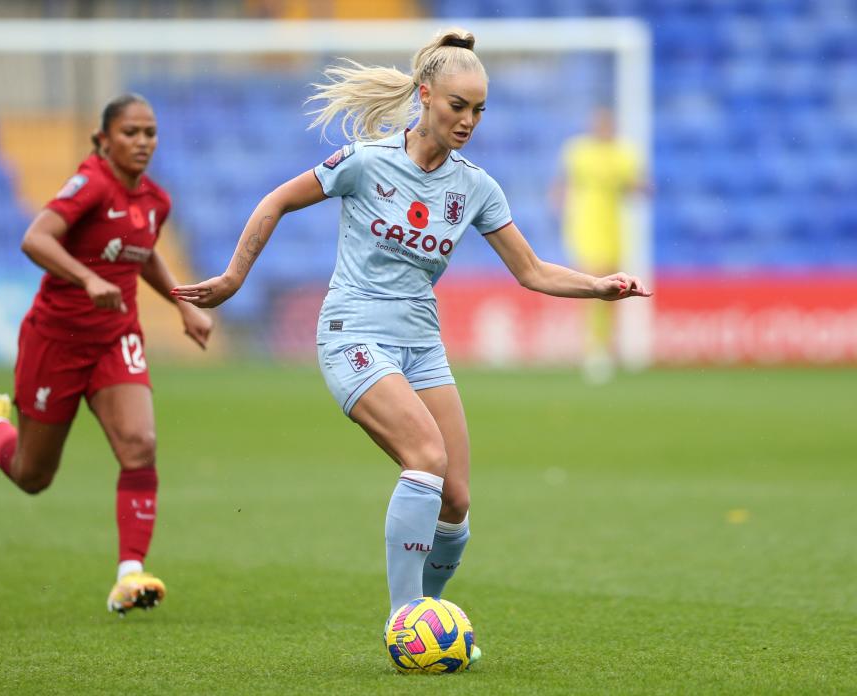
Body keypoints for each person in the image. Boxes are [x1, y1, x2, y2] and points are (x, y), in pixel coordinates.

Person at [172, 28, 650, 660]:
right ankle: (407, 624)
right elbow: (277, 201)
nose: (469, 121)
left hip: (421, 343)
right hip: (353, 333)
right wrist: (234, 276)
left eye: (480, 110)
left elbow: (531, 270)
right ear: (425, 95)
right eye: (458, 105)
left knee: (456, 501)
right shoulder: (366, 162)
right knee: (425, 455)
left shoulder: (476, 186)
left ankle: (429, 616)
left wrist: (598, 287)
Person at [0, 93, 213, 615]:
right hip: (56, 341)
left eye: (150, 133)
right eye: (130, 133)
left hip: (116, 339)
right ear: (103, 140)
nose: (142, 142)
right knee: (33, 476)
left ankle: (129, 574)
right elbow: (36, 239)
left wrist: (183, 304)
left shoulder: (155, 201)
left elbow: (142, 254)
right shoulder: (90, 185)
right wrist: (86, 276)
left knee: (140, 443)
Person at [549, 107, 650, 383]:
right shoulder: (579, 151)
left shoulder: (624, 155)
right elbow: (562, 183)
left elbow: (636, 187)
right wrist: (558, 203)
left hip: (614, 229)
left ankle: (609, 346)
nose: (603, 128)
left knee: (616, 291)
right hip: (585, 227)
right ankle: (594, 350)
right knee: (595, 286)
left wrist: (641, 187)